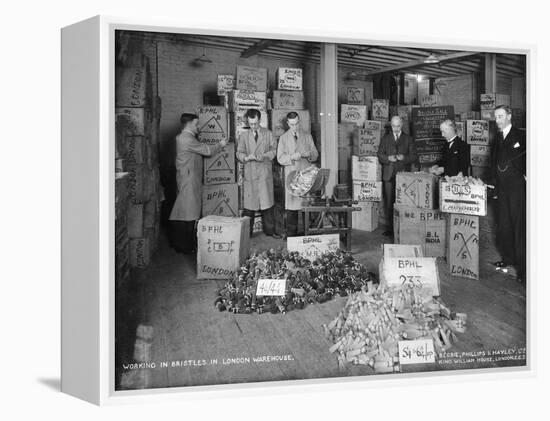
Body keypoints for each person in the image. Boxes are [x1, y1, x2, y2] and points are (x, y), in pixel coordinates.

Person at [169, 113, 226, 254]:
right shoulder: (186, 139)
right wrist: (221, 144)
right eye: (196, 124)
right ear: (189, 124)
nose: (199, 127)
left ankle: (184, 244)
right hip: (188, 179)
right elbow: (207, 150)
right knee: (188, 212)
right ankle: (184, 245)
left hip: (188, 177)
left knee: (187, 210)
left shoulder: (186, 138)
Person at [491, 105, 526, 283]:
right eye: (496, 117)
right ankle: (508, 259)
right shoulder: (497, 137)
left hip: (517, 188)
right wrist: (495, 189)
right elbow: (494, 163)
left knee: (519, 227)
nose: (497, 120)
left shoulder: (521, 135)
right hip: (502, 189)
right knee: (504, 225)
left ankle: (523, 269)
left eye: (501, 116)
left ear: (509, 116)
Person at [236, 109, 281, 239]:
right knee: (249, 207)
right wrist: (245, 157)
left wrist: (264, 156)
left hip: (264, 173)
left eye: (255, 123)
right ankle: (246, 233)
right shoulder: (244, 136)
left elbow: (274, 150)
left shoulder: (268, 134)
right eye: (251, 124)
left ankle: (270, 231)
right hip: (250, 173)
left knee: (267, 204)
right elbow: (239, 152)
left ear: (259, 120)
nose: (253, 126)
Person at [277, 112, 319, 237]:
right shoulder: (283, 138)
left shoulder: (307, 136)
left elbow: (315, 154)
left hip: (305, 175)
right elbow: (280, 158)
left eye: (296, 124)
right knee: (292, 208)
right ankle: (291, 236)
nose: (294, 127)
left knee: (306, 206)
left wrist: (309, 155)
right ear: (287, 123)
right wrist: (291, 157)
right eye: (292, 124)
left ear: (299, 122)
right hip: (291, 176)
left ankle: (308, 235)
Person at [377, 115, 417, 236]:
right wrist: (388, 158)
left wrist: (404, 157)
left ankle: (403, 227)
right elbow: (379, 154)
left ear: (402, 125)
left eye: (398, 126)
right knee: (389, 202)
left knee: (403, 202)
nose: (395, 128)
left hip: (403, 175)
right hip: (388, 175)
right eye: (393, 126)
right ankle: (391, 229)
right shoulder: (385, 138)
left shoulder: (408, 139)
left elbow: (414, 156)